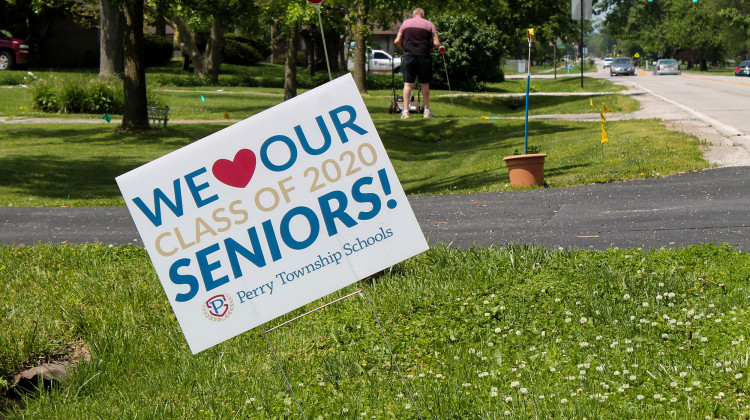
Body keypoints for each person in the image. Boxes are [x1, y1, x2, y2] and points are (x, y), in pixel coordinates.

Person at [394, 8, 440, 119]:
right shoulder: (429, 24)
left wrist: (404, 49)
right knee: (425, 85)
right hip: (424, 57)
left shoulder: (406, 23)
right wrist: (429, 48)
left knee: (408, 84)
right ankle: (427, 111)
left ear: (413, 15)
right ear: (423, 15)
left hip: (409, 56)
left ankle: (405, 112)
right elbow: (437, 43)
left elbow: (397, 41)